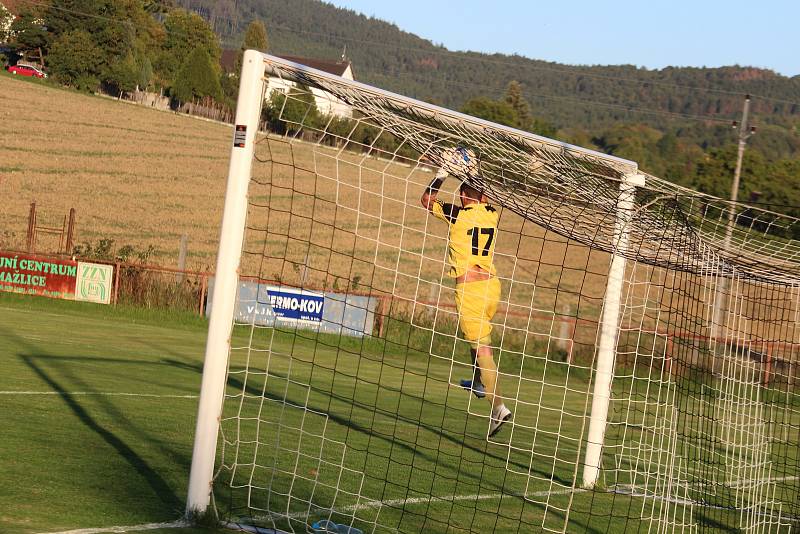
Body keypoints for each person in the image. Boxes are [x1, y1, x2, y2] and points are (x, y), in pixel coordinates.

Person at [420, 155, 512, 437]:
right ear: (484, 196)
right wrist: (473, 170)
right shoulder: (493, 214)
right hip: (492, 287)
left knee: (483, 348)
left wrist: (443, 172)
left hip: (470, 290)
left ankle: (499, 407)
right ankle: (478, 383)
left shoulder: (457, 214)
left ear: (462, 195)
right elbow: (484, 194)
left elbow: (426, 200)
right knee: (477, 340)